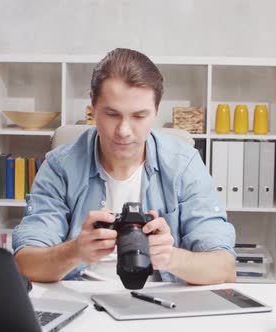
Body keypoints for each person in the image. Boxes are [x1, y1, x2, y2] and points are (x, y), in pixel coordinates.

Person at [12, 48, 236, 285]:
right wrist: (76, 251)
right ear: (93, 107)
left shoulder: (184, 165)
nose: (123, 131)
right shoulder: (60, 167)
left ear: (156, 112)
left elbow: (224, 268)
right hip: (83, 301)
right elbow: (25, 263)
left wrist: (170, 258)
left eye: (139, 116)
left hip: (160, 305)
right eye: (112, 114)